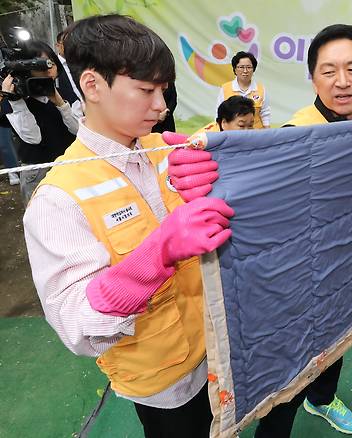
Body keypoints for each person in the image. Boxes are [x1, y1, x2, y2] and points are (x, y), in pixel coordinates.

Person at [22, 14, 233, 438]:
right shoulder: (58, 200)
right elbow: (76, 326)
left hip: (220, 354)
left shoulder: (167, 151)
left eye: (164, 90)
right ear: (93, 86)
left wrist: (223, 173)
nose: (162, 106)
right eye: (145, 90)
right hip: (162, 384)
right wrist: (156, 256)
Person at [164, 23, 352, 437]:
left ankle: (323, 399)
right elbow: (249, 201)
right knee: (288, 378)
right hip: (301, 281)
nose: (343, 81)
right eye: (329, 71)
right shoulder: (295, 137)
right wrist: (189, 178)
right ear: (312, 78)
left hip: (349, 265)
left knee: (341, 342)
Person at [2, 39, 78, 203]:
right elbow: (33, 138)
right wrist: (16, 102)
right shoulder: (15, 102)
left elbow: (79, 130)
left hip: (72, 165)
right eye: (40, 66)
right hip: (38, 172)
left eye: (51, 63)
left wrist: (60, 103)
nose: (48, 70)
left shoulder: (65, 92)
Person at [216, 51, 270, 129]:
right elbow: (219, 114)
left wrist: (267, 133)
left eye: (249, 67)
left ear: (253, 69)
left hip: (257, 134)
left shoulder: (261, 89)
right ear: (235, 69)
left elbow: (265, 113)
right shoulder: (225, 88)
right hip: (233, 134)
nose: (245, 71)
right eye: (241, 67)